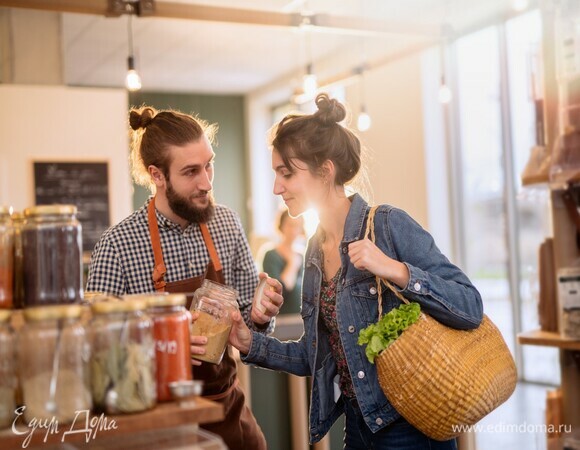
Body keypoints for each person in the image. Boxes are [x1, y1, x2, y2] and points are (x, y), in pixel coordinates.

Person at [228, 93, 484, 450]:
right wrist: (249, 343)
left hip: (410, 430)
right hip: (358, 429)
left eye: (286, 173)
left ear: (325, 170)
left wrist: (394, 270)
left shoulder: (388, 224)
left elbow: (470, 305)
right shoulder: (316, 251)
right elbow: (313, 356)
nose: (276, 187)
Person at [86, 106, 283, 450]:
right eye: (191, 171)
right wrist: (163, 346)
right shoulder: (118, 245)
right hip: (155, 422)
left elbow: (250, 328)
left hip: (226, 411)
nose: (206, 182)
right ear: (157, 175)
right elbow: (95, 351)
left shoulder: (226, 224)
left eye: (209, 164)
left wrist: (261, 314)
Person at [261, 209, 305, 315]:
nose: (294, 230)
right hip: (282, 319)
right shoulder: (271, 255)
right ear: (281, 226)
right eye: (290, 225)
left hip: (300, 318)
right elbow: (280, 291)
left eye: (297, 226)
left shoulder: (302, 255)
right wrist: (292, 263)